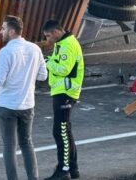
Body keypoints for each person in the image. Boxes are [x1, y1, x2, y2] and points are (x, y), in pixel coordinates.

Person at [0, 15, 47, 180]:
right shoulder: (35, 49)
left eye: (3, 28)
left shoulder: (6, 52)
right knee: (27, 143)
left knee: (9, 147)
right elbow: (43, 75)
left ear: (12, 31)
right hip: (27, 104)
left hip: (7, 106)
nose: (0, 32)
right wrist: (26, 75)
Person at [41, 20, 84, 180]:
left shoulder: (67, 45)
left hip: (65, 92)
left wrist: (47, 62)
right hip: (63, 91)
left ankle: (63, 170)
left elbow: (63, 69)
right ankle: (73, 169)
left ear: (56, 32)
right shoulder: (64, 43)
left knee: (61, 132)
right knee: (65, 130)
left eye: (48, 36)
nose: (47, 40)